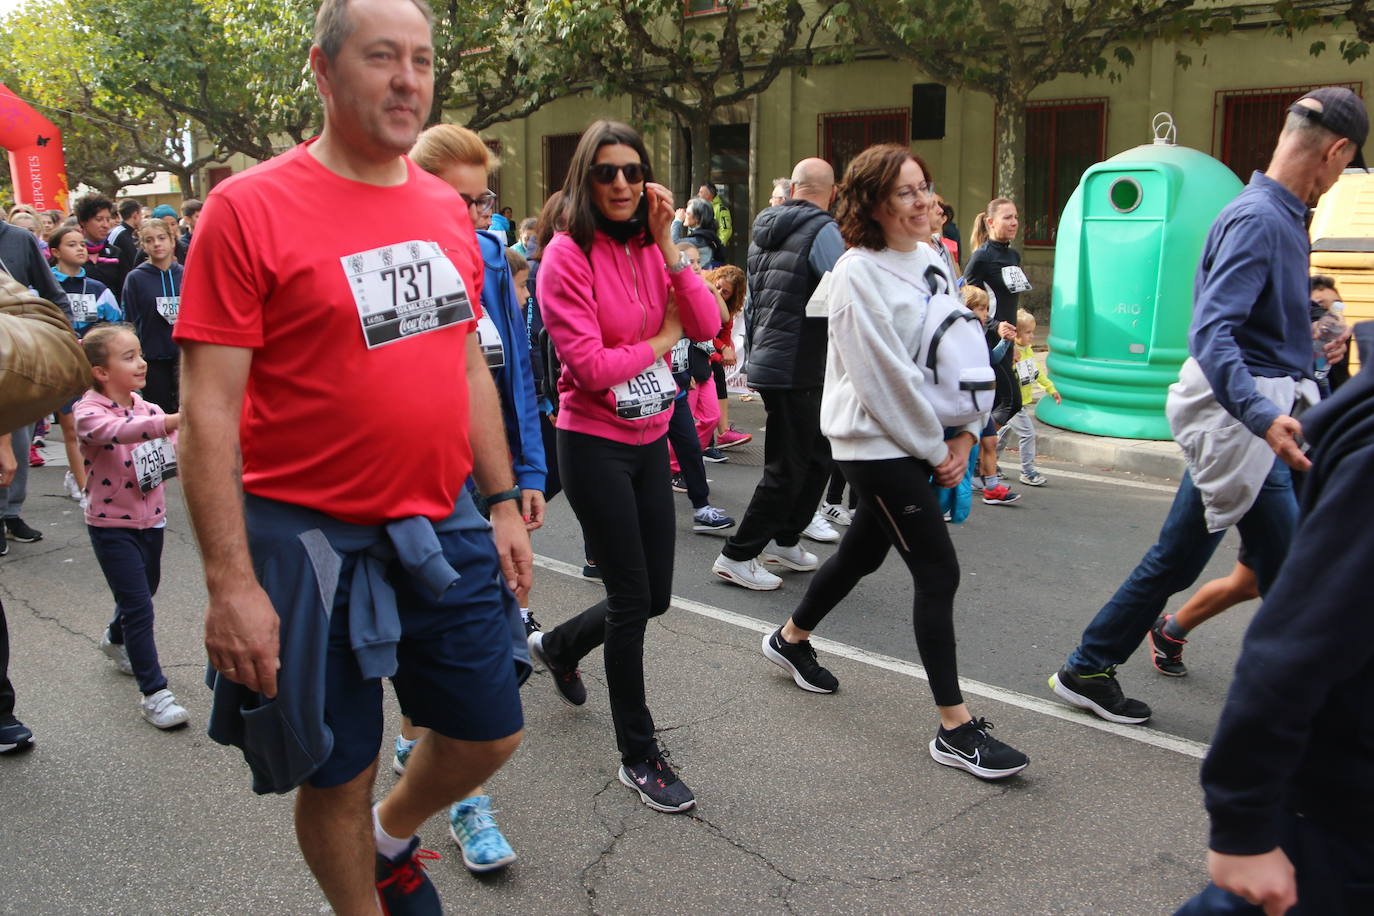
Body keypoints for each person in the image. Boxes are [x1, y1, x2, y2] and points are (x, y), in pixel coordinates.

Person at [174, 1, 530, 911]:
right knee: (335, 771)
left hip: (437, 518)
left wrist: (498, 498)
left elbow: (461, 357)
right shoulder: (245, 209)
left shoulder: (447, 209)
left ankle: (390, 837)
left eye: (421, 59)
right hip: (307, 541)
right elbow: (208, 412)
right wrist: (230, 583)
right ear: (324, 70)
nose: (408, 78)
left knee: (489, 732)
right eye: (382, 57)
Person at [1049, 86, 1363, 726]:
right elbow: (1213, 332)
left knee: (1181, 558)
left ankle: (1089, 664)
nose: (1338, 179)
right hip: (1245, 426)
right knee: (1302, 572)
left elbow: (1274, 332)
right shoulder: (1259, 219)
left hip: (1254, 423)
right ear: (1335, 152)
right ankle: (1317, 718)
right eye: (1345, 166)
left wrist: (1318, 405)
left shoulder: (1278, 215)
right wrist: (1262, 415)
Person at [759, 144, 1028, 780]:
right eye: (906, 193)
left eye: (925, 188)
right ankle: (954, 730)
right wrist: (941, 453)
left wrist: (966, 431)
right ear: (872, 204)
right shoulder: (855, 275)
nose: (924, 202)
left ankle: (788, 640)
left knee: (861, 553)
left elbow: (956, 343)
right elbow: (882, 382)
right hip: (877, 446)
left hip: (927, 439)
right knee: (938, 573)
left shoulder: (929, 255)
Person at [526, 119, 721, 814]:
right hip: (594, 444)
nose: (620, 184)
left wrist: (668, 246)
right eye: (606, 172)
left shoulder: (648, 246)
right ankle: (639, 755)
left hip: (651, 439)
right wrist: (661, 337)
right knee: (634, 603)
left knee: (654, 595)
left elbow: (706, 325)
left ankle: (556, 644)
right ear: (585, 179)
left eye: (632, 172)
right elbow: (590, 365)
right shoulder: (565, 258)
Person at [395, 121, 547, 874]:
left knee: (481, 655)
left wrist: (524, 476)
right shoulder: (386, 257)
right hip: (399, 485)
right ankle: (419, 742)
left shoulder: (487, 254)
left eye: (481, 200)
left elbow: (508, 368)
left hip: (474, 484)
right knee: (414, 641)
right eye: (456, 200)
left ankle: (466, 800)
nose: (472, 216)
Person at [1175, 363, 1374, 916]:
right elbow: (1291, 644)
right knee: (1191, 564)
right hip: (1341, 814)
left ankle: (1159, 633)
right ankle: (1120, 649)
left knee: (1245, 575)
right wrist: (1242, 828)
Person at [711, 157, 844, 592]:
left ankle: (785, 539)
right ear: (833, 191)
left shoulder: (766, 230)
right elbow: (847, 290)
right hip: (799, 363)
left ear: (793, 189)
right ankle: (738, 554)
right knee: (787, 467)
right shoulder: (823, 230)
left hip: (780, 359)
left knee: (818, 454)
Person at [76, 324, 190, 729]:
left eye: (140, 353)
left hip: (153, 522)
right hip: (110, 525)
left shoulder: (151, 409)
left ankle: (115, 637)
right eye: (128, 357)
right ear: (100, 372)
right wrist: (175, 421)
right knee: (140, 606)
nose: (141, 363)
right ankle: (155, 694)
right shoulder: (87, 412)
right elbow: (115, 433)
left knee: (143, 592)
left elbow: (177, 455)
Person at [0, 217, 71, 545]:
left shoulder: (18, 239)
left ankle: (11, 513)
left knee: (18, 440)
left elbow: (53, 294)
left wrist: (64, 337)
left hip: (20, 359)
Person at [664, 242, 737, 534]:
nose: (695, 265)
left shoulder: (696, 290)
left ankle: (702, 509)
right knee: (649, 462)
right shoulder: (668, 291)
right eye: (688, 261)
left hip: (678, 391)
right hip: (657, 394)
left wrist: (707, 287)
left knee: (692, 449)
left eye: (696, 261)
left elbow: (721, 318)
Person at [50, 224, 123, 502]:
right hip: (63, 364)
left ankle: (98, 477)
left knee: (102, 423)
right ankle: (83, 487)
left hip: (96, 367)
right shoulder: (45, 286)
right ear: (55, 252)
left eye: (82, 243)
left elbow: (116, 322)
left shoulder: (97, 287)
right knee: (71, 427)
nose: (81, 248)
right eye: (72, 244)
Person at [962, 197, 1027, 507]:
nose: (1013, 222)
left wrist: (1014, 342)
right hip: (988, 340)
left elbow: (1010, 299)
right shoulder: (981, 258)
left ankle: (979, 464)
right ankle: (974, 461)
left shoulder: (1012, 254)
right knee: (1009, 400)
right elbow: (969, 302)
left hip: (1007, 339)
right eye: (1007, 218)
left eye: (1015, 217)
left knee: (1004, 402)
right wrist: (996, 328)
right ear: (990, 222)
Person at [121, 220, 183, 413]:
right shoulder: (136, 278)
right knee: (158, 410)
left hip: (184, 354)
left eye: (162, 238)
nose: (157, 244)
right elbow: (129, 318)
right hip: (153, 355)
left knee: (186, 408)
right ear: (143, 246)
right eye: (150, 240)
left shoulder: (186, 273)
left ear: (172, 241)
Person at [997, 309, 1060, 487]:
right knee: (1028, 434)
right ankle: (1027, 471)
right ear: (1015, 333)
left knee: (1003, 434)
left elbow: (1036, 373)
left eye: (1033, 331)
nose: (1033, 336)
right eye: (1028, 332)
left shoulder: (1028, 351)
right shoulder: (1013, 354)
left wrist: (1050, 388)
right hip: (1013, 403)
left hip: (1021, 402)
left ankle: (988, 465)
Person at [704, 265, 751, 451]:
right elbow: (701, 332)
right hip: (696, 349)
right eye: (717, 287)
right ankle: (715, 436)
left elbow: (726, 329)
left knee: (717, 379)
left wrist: (724, 350)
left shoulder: (727, 309)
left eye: (725, 292)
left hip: (707, 349)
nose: (719, 292)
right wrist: (722, 349)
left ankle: (719, 434)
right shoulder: (703, 295)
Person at [73, 193, 130, 302]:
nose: (105, 225)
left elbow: (124, 291)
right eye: (99, 219)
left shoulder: (116, 254)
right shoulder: (71, 253)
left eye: (108, 220)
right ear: (83, 221)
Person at [671, 198, 726, 269]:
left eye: (688, 213)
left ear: (696, 218)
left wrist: (677, 220)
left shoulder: (700, 239)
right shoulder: (707, 235)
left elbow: (673, 244)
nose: (684, 215)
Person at [107, 198, 143, 266]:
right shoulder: (120, 234)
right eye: (141, 215)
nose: (141, 218)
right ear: (135, 215)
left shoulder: (126, 233)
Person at [699, 182, 732, 247]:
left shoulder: (721, 209)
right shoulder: (701, 208)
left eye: (701, 192)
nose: (698, 194)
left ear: (708, 195)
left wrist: (718, 245)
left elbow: (726, 230)